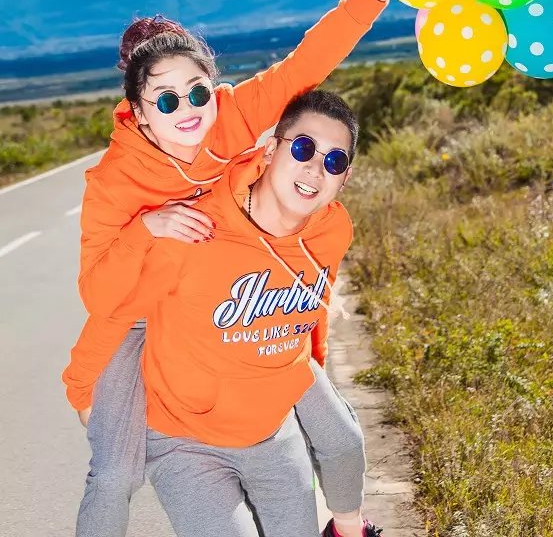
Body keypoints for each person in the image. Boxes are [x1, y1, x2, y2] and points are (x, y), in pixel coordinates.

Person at [63, 0, 408, 537]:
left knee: (331, 427)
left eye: (197, 92)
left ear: (214, 87)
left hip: (221, 298)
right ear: (139, 111)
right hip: (139, 314)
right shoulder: (115, 181)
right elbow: (98, 293)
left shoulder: (230, 119)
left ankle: (344, 520)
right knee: (114, 474)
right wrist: (148, 229)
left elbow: (306, 64)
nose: (187, 110)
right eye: (166, 100)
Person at [77, 90, 382, 537]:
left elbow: (313, 305)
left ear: (345, 177)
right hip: (184, 444)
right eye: (303, 148)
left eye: (334, 161)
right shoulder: (194, 233)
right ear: (271, 149)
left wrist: (310, 367)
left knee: (341, 444)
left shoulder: (332, 230)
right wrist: (80, 387)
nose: (315, 169)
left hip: (273, 436)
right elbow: (117, 314)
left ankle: (346, 527)